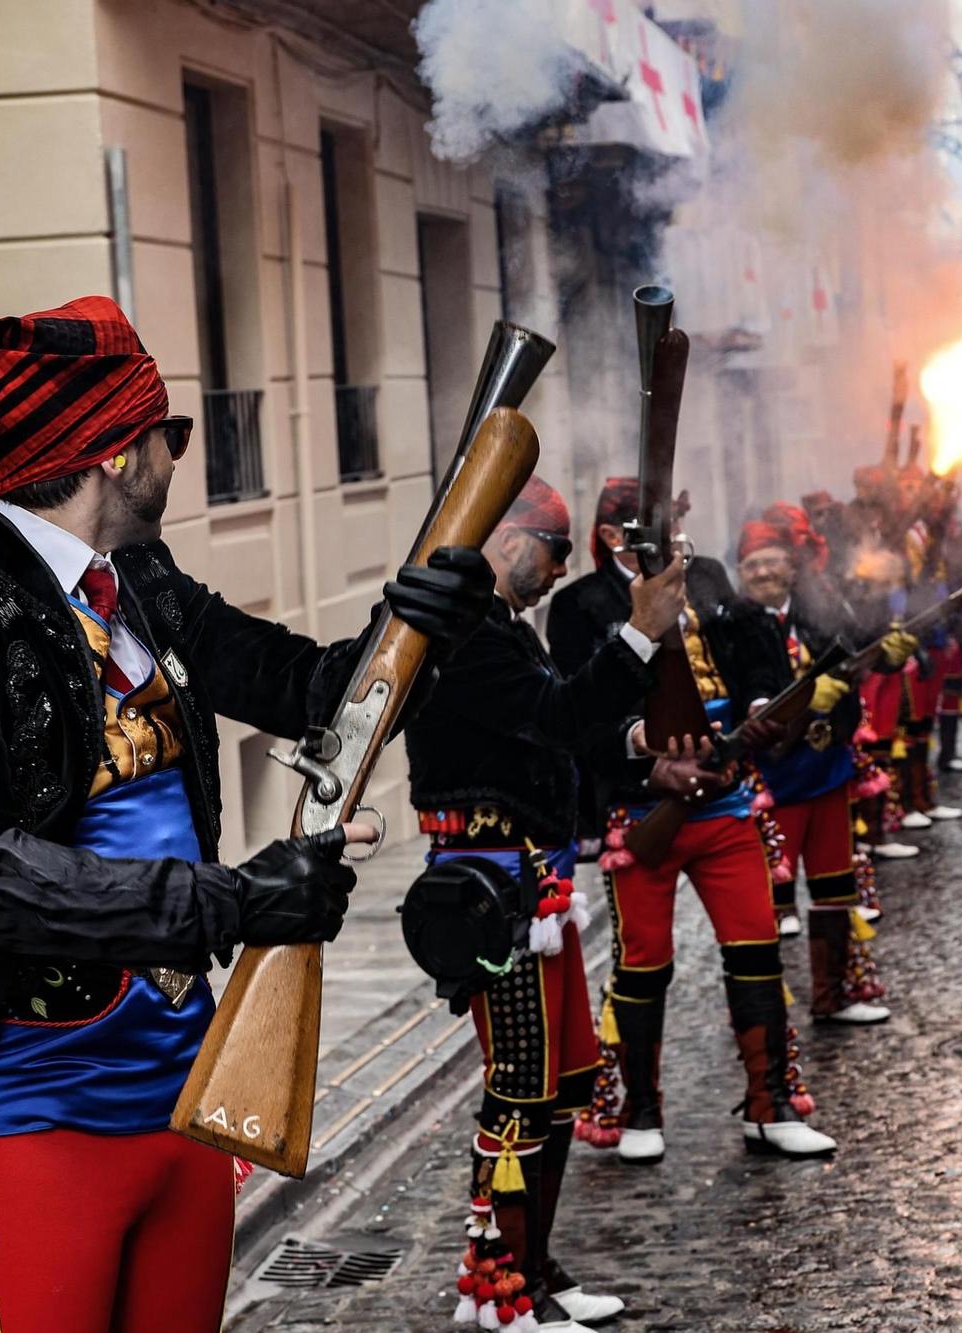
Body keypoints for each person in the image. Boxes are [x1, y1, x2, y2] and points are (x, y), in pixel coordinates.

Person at [0, 297, 492, 1331]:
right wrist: (234, 901)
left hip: (185, 1083)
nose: (175, 457)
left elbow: (309, 686)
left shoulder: (139, 581)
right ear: (114, 451)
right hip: (19, 1097)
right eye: (168, 434)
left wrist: (422, 625)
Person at [406, 477, 683, 1332]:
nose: (561, 568)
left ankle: (532, 1269)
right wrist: (637, 632)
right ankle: (495, 1291)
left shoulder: (499, 626)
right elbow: (555, 713)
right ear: (506, 536)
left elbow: (554, 727)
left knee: (560, 1084)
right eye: (554, 548)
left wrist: (635, 739)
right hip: (494, 895)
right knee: (518, 1091)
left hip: (539, 888)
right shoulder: (464, 628)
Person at [551, 479, 837, 1163]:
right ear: (617, 537)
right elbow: (574, 714)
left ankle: (769, 1104)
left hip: (726, 798)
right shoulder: (577, 606)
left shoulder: (704, 576)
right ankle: (642, 1111)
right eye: (658, 526)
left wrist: (766, 704)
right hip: (644, 807)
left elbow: (756, 646)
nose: (678, 535)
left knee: (756, 952)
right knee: (644, 968)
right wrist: (653, 767)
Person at [735, 520, 890, 1025]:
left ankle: (832, 999)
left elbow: (858, 647)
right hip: (774, 780)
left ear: (790, 566)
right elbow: (750, 690)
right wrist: (780, 707)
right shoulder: (733, 623)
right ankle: (764, 1017)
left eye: (771, 561)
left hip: (828, 768)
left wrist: (885, 649)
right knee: (764, 908)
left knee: (834, 888)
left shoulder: (815, 611)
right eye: (752, 565)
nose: (763, 572)